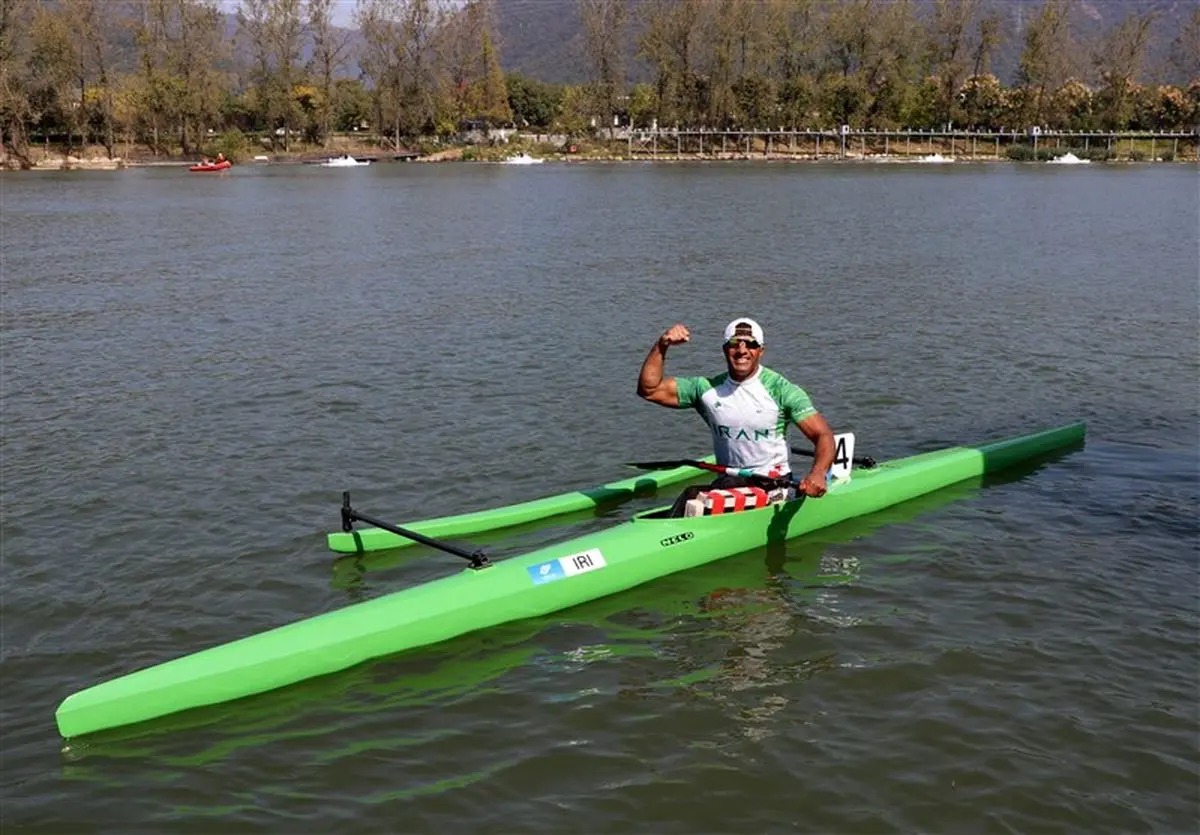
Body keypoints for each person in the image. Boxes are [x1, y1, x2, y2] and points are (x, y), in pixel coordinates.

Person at [637, 318, 835, 515]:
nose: (742, 350)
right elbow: (649, 389)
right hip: (729, 482)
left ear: (761, 351)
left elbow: (823, 435)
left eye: (751, 344)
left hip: (773, 484)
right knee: (699, 497)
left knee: (693, 496)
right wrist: (662, 345)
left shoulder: (782, 391)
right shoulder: (707, 390)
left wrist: (818, 473)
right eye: (734, 343)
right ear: (725, 349)